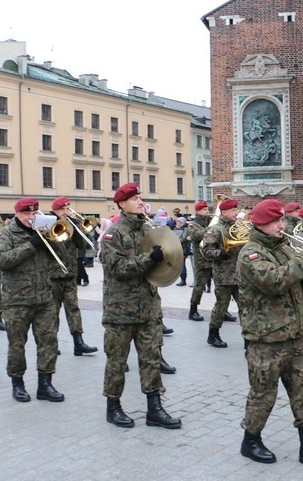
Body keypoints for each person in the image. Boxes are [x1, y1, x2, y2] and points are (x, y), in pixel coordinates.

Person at [236, 199, 303, 465]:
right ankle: (251, 440)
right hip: (266, 338)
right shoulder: (251, 253)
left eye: (282, 219)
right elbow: (274, 282)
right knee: (263, 393)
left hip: (295, 334)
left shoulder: (284, 247)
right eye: (276, 221)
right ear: (261, 224)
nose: (282, 225)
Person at [99, 182, 181, 429]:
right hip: (120, 311)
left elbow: (158, 267)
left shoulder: (148, 229)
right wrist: (149, 258)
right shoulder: (115, 233)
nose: (140, 202)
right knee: (117, 360)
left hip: (147, 308)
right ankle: (113, 407)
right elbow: (118, 269)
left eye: (141, 197)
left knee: (151, 359)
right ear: (122, 204)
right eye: (134, 198)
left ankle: (154, 409)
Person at [0, 197, 64, 403]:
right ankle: (18, 384)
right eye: (27, 214)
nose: (31, 217)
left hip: (44, 297)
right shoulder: (6, 234)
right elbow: (2, 261)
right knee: (17, 344)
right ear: (17, 214)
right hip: (17, 300)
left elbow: (60, 256)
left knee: (48, 342)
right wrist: (31, 245)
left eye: (34, 214)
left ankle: (45, 384)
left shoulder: (42, 231)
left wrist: (52, 240)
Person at [48, 197, 98, 357]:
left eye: (68, 208)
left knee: (73, 309)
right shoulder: (47, 223)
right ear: (55, 209)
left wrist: (78, 230)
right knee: (51, 312)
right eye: (63, 209)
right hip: (52, 276)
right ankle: (51, 344)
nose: (66, 212)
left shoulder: (71, 224)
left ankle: (79, 343)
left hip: (69, 274)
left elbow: (81, 246)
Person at [201, 198, 244, 348]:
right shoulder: (216, 229)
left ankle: (248, 336)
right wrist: (221, 253)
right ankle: (213, 335)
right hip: (224, 276)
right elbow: (205, 250)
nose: (236, 213)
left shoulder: (239, 227)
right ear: (224, 212)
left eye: (236, 210)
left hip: (240, 275)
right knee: (221, 307)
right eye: (233, 210)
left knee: (245, 307)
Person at [184, 201, 212, 322]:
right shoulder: (193, 225)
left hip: (214, 259)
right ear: (198, 211)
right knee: (199, 287)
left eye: (207, 209)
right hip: (201, 260)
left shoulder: (211, 221)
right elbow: (195, 236)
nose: (207, 211)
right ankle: (193, 310)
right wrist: (209, 230)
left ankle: (223, 309)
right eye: (204, 210)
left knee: (221, 287)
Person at [173, 217, 190, 286]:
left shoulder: (185, 229)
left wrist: (175, 241)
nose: (176, 223)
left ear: (181, 223)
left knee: (182, 265)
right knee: (179, 265)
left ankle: (183, 280)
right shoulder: (176, 229)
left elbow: (184, 238)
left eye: (178, 222)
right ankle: (181, 279)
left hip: (183, 249)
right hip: (177, 249)